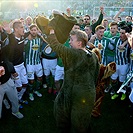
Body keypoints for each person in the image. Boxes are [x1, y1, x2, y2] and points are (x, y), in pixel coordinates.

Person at [47, 29, 100, 133]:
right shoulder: (93, 55)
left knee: (78, 124)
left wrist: (52, 32)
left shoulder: (74, 54)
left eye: (71, 40)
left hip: (80, 96)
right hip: (88, 93)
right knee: (82, 120)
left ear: (79, 43)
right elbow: (96, 74)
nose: (69, 42)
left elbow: (56, 47)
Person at [0, 40, 24, 119]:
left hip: (7, 81)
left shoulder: (3, 53)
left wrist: (13, 71)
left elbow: (12, 43)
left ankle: (15, 111)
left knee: (14, 98)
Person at [24, 24, 43, 101]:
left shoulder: (40, 39)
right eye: (32, 30)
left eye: (35, 30)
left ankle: (36, 90)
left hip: (38, 62)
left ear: (37, 31)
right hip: (30, 63)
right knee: (31, 81)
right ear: (30, 31)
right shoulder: (26, 40)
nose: (33, 32)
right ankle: (30, 92)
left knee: (40, 78)